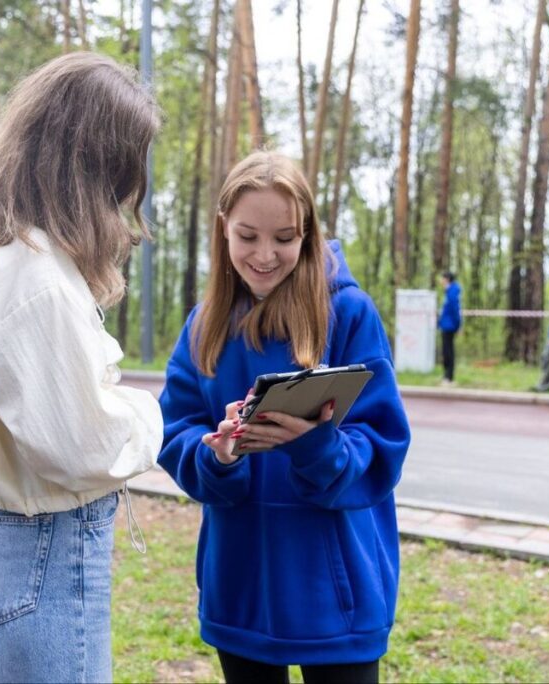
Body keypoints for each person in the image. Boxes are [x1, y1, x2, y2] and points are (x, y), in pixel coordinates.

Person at [0, 52, 163, 683]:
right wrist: (147, 414)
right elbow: (81, 445)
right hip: (35, 547)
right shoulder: (37, 274)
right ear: (95, 167)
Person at [158, 151, 411, 684]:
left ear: (308, 234)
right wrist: (217, 455)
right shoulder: (203, 325)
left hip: (337, 591)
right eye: (248, 236)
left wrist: (317, 445)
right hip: (241, 585)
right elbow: (176, 429)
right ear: (223, 229)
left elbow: (383, 443)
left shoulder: (349, 312)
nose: (266, 255)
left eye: (285, 237)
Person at [437, 271, 461, 385]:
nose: (441, 281)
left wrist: (458, 325)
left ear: (447, 279)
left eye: (442, 278)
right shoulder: (448, 291)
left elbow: (455, 309)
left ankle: (449, 377)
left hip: (450, 326)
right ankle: (446, 376)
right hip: (445, 325)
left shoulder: (452, 292)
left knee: (448, 352)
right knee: (446, 351)